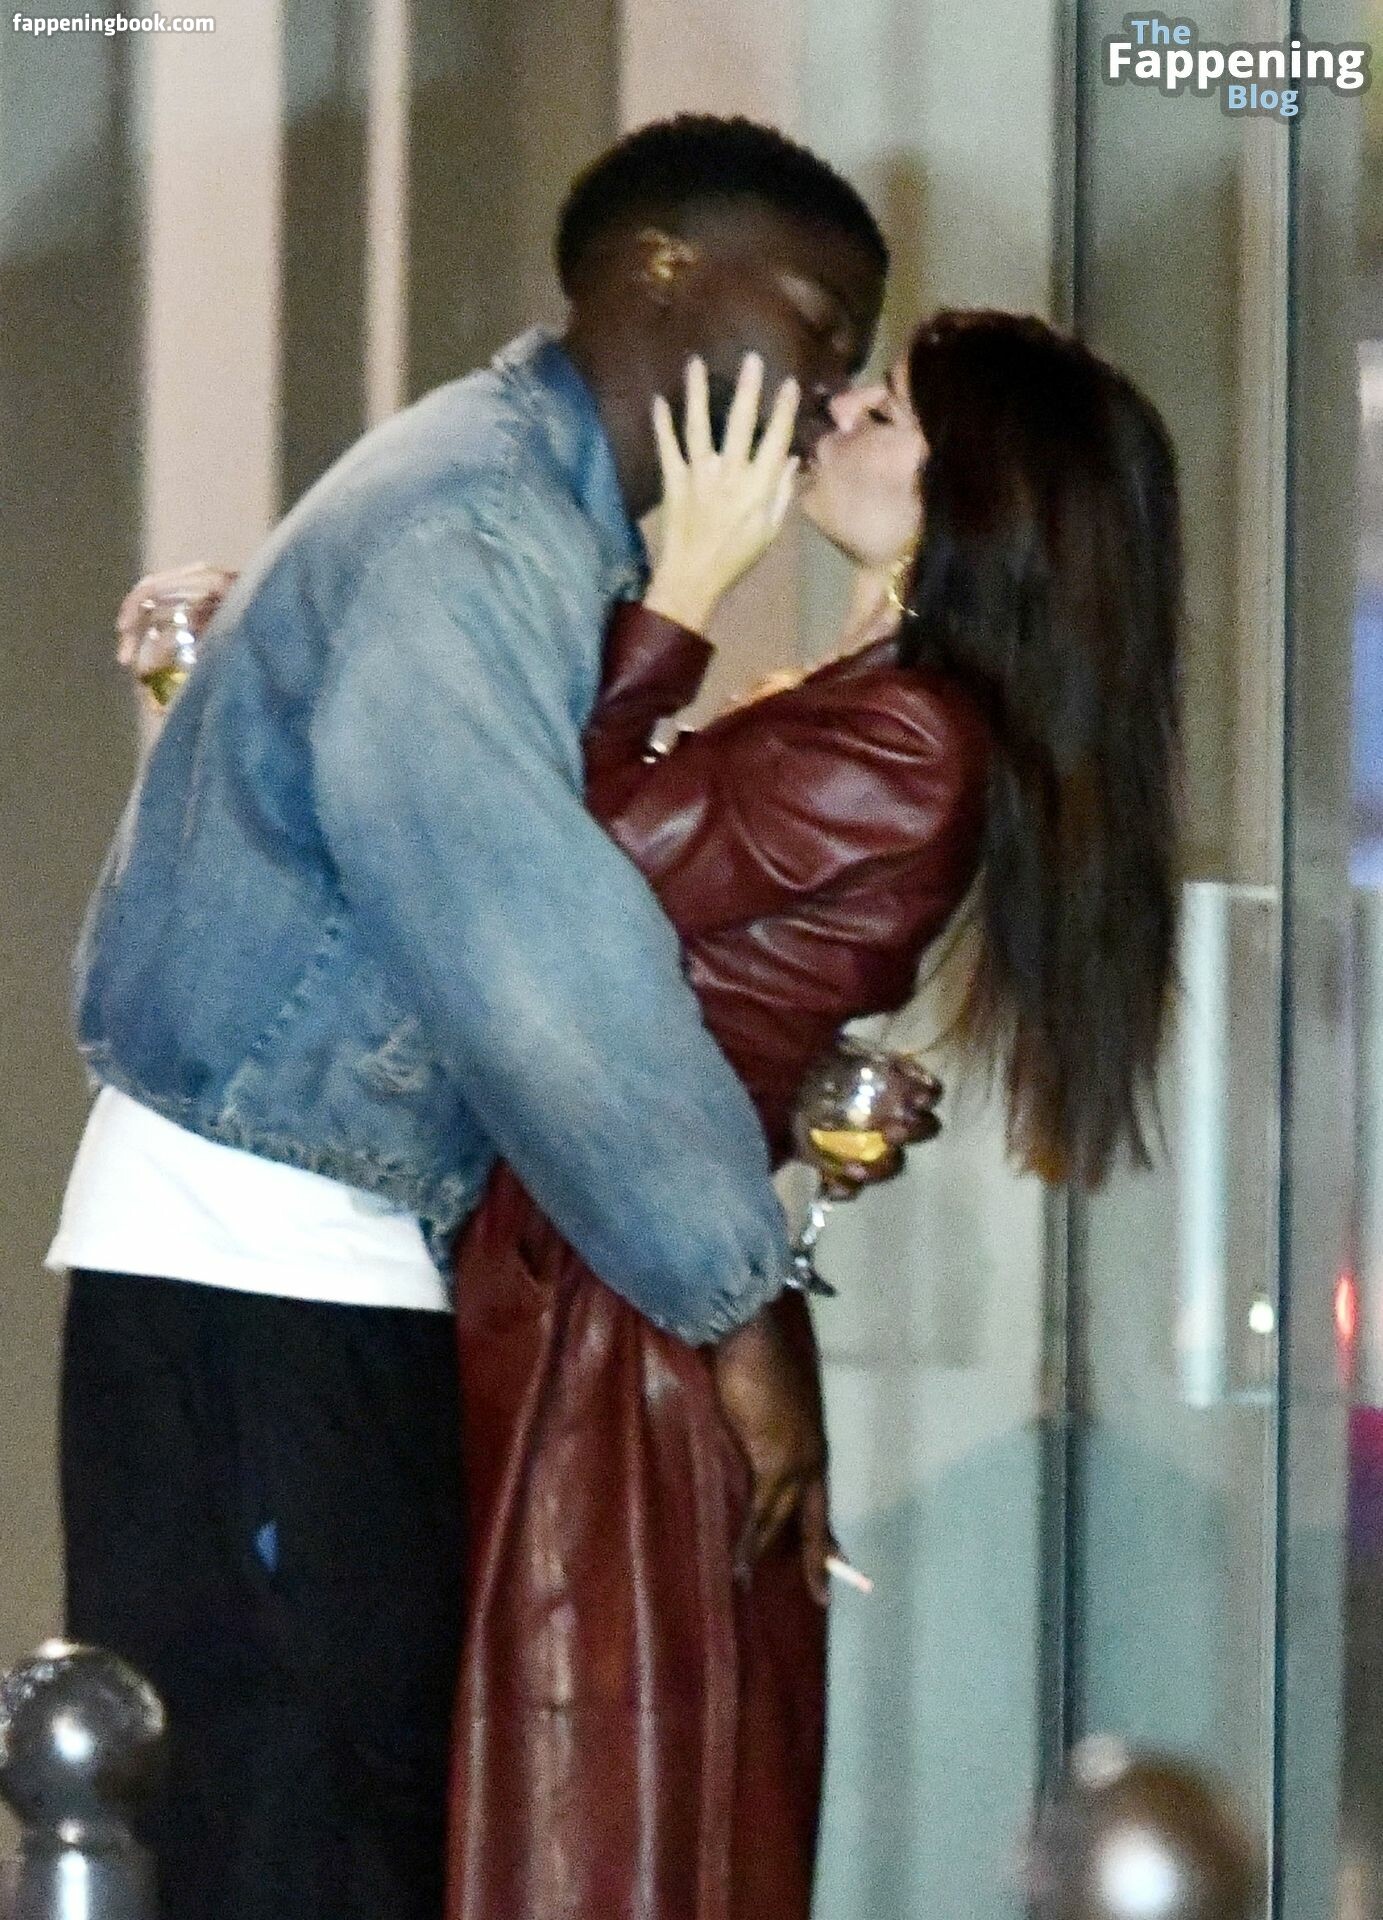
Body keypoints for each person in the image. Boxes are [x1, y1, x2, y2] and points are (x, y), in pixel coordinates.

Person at [47, 115, 890, 1920]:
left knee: (285, 1823)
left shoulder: (503, 494)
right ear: (661, 268)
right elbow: (529, 946)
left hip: (269, 1252)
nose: (832, 387)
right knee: (298, 1840)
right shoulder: (483, 523)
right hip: (267, 1264)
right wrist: (740, 1300)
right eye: (819, 323)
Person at [445, 308, 1183, 1918]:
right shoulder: (880, 705)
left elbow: (545, 870)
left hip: (613, 1306)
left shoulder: (909, 734)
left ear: (971, 501)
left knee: (594, 1814)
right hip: (620, 1270)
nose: (836, 410)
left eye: (889, 412)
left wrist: (682, 592)